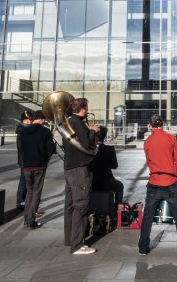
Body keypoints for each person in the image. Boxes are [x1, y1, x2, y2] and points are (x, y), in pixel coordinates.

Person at [139, 114, 177, 258]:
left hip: (154, 181)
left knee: (148, 216)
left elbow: (149, 161)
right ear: (162, 124)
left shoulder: (148, 141)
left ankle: (143, 247)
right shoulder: (170, 138)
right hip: (170, 182)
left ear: (150, 125)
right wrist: (174, 171)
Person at [63, 98, 100, 255]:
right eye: (86, 107)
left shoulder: (68, 121)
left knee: (70, 204)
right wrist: (93, 131)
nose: (87, 110)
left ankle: (70, 239)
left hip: (70, 167)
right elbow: (86, 143)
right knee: (81, 205)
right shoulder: (77, 122)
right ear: (83, 109)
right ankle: (77, 244)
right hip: (79, 168)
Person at [18, 110, 56, 229]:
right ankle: (31, 221)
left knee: (29, 192)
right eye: (44, 119)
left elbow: (20, 149)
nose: (45, 122)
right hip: (39, 165)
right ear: (41, 119)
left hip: (26, 166)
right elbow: (51, 149)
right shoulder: (45, 131)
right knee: (36, 193)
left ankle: (26, 218)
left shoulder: (22, 131)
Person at [90, 126, 124, 207]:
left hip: (91, 182)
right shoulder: (109, 149)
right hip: (107, 182)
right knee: (120, 186)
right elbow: (114, 166)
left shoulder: (89, 149)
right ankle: (117, 210)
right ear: (104, 136)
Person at [16, 110, 32, 210]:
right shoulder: (22, 130)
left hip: (25, 158)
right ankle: (20, 200)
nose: (31, 121)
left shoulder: (24, 129)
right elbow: (22, 146)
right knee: (24, 180)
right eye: (30, 119)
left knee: (26, 180)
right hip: (24, 159)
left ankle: (23, 199)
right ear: (25, 120)